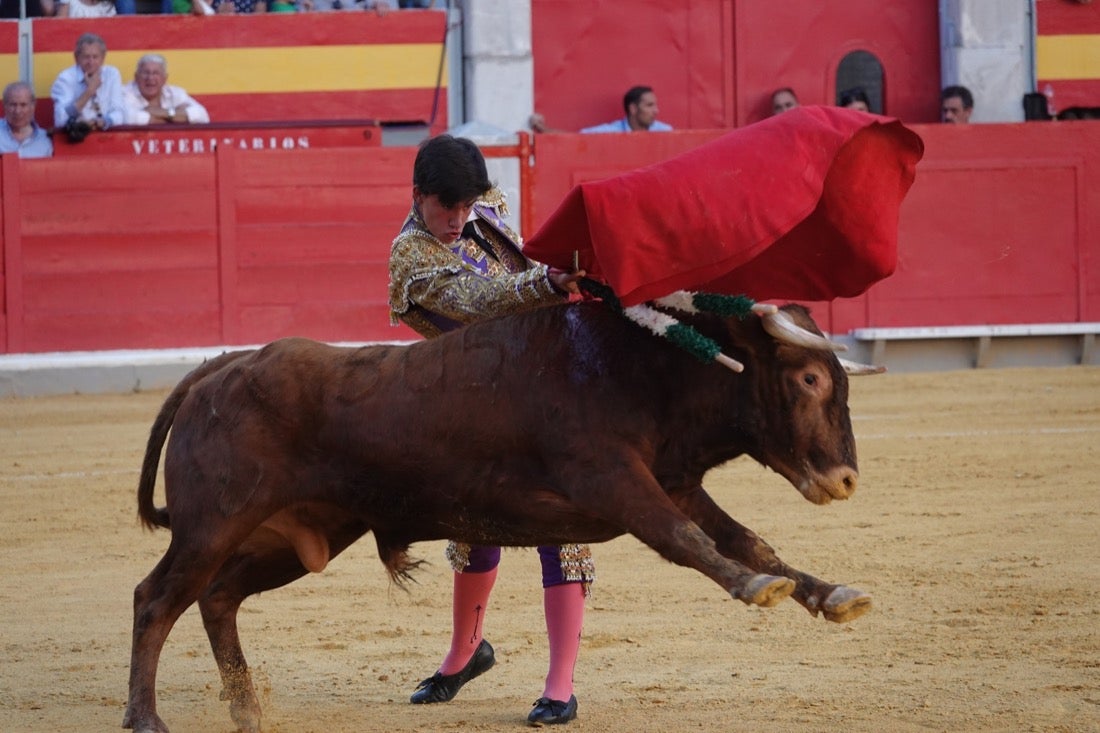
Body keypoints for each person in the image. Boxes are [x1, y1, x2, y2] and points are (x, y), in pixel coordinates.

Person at [388, 134, 593, 727]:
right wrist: (548, 284)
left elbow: (523, 255)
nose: (456, 221)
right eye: (444, 209)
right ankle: (465, 652)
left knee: (561, 523)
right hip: (478, 403)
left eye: (465, 207)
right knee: (474, 523)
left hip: (552, 384)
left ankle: (560, 686)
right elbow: (480, 300)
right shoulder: (411, 256)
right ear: (418, 197)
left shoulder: (485, 204)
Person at [50, 33, 125, 132]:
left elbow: (119, 113)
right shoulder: (65, 78)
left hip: (105, 136)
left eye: (95, 57)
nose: (91, 62)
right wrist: (89, 91)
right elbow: (61, 120)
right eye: (86, 57)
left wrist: (105, 121)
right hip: (76, 138)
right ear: (76, 58)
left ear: (103, 59)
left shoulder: (112, 74)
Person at [530, 85, 672, 135]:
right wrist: (544, 129)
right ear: (633, 108)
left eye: (655, 105)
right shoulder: (611, 132)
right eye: (649, 105)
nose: (656, 111)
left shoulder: (665, 131)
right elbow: (577, 139)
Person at [122, 55, 211, 126]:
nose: (150, 78)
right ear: (136, 77)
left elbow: (202, 115)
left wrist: (166, 113)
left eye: (156, 73)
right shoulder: (124, 93)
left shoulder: (175, 93)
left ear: (165, 79)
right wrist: (178, 118)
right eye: (146, 73)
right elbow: (130, 118)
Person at [0, 81, 53, 158]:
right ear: (4, 105)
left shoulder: (46, 140)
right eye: (13, 105)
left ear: (33, 106)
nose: (17, 111)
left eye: (23, 105)